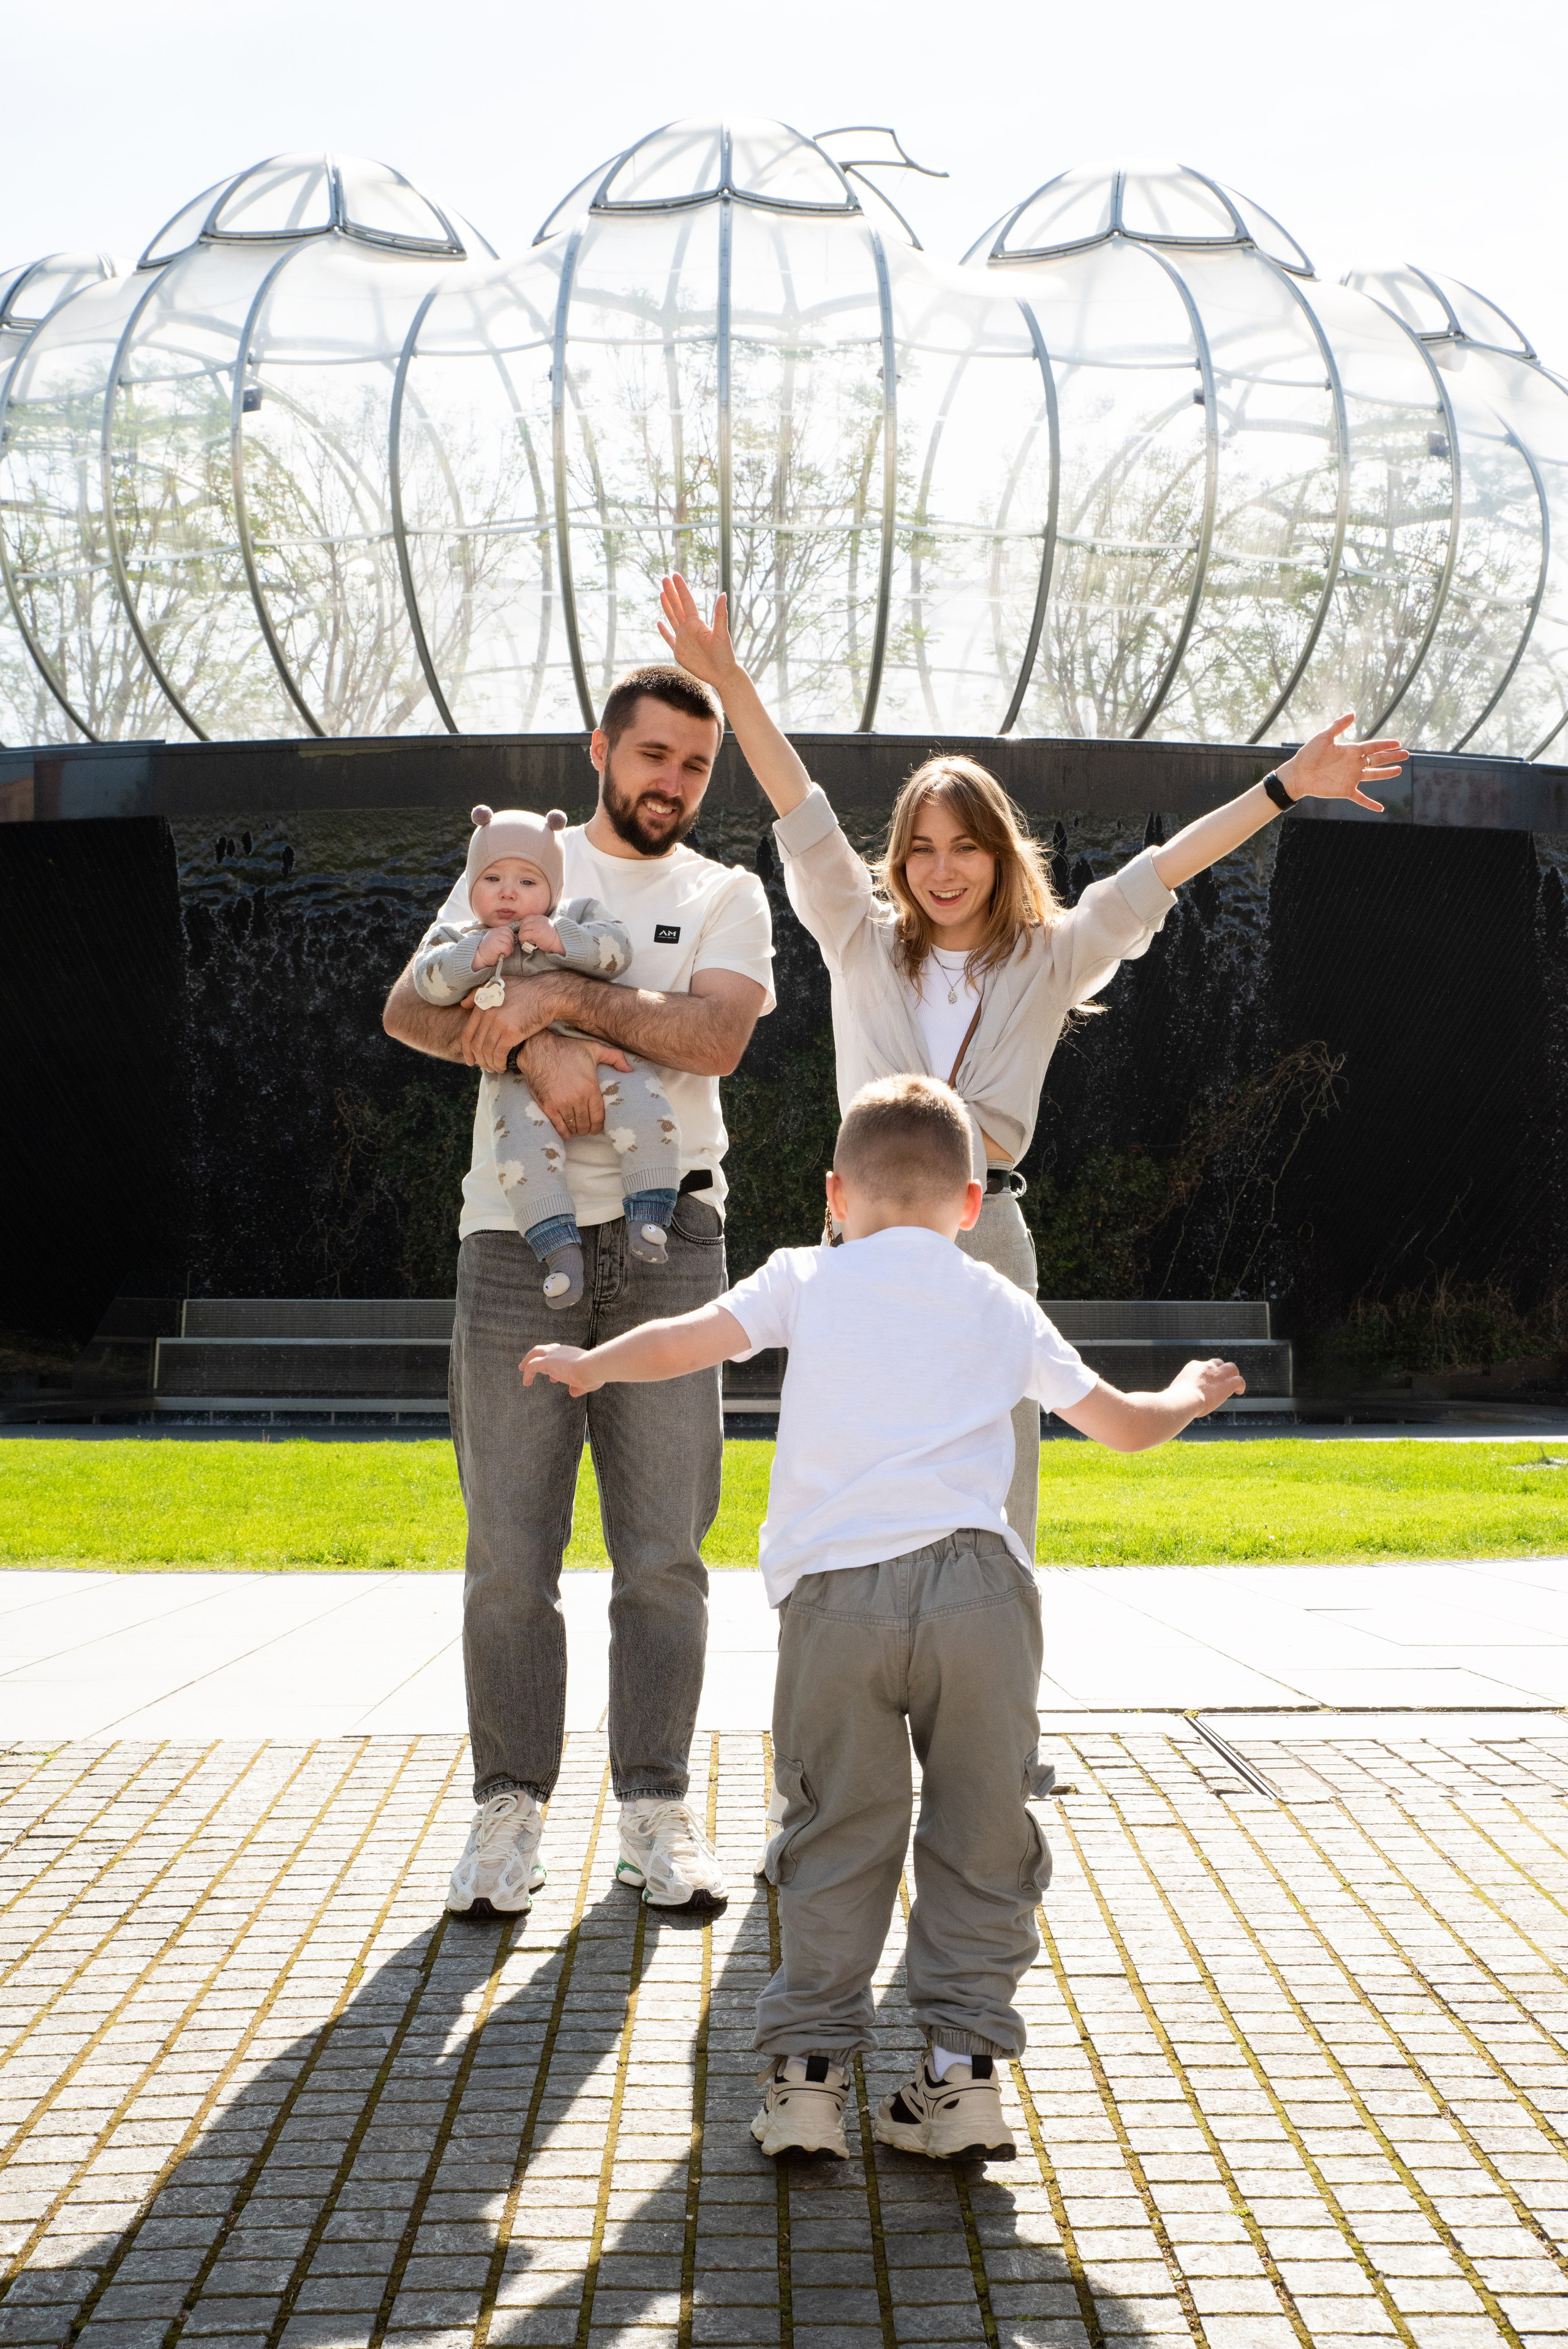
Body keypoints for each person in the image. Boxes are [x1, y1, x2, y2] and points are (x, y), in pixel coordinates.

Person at [522, 1073, 1245, 2162]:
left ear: (835, 1193)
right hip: (982, 1605)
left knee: (837, 1837)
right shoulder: (997, 1300)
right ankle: (960, 2085)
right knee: (981, 1839)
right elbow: (1127, 1427)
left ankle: (807, 2085)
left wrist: (590, 1364)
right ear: (969, 1205)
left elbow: (686, 1340)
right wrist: (1190, 1392)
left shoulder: (806, 1277)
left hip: (839, 1606)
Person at [655, 573, 1408, 1560]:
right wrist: (733, 681)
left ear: (1000, 853)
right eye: (921, 847)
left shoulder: (1053, 951)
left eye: (965, 845)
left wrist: (1283, 786)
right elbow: (801, 805)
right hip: (862, 1240)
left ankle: (990, 1673)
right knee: (849, 1464)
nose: (941, 866)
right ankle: (847, 1646)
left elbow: (1167, 865)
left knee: (996, 1490)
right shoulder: (859, 934)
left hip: (987, 1229)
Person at [382, 665, 775, 1920]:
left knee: (663, 1553)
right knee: (509, 1554)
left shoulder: (726, 891)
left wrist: (549, 995)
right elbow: (408, 1006)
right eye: (651, 754)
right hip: (513, 1244)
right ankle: (508, 1813)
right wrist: (546, 1039)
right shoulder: (519, 867)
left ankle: (653, 1809)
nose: (670, 781)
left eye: (693, 766)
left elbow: (712, 1040)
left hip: (675, 1246)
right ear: (601, 749)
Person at [413, 804, 685, 1309]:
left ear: (553, 890)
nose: (509, 891)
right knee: (519, 1159)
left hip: (599, 1048)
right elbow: (424, 983)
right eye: (492, 877)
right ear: (472, 886)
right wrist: (470, 958)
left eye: (528, 881)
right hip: (514, 1075)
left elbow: (617, 949)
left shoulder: (576, 914)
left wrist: (563, 940)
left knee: (647, 1107)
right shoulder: (457, 936)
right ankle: (559, 1253)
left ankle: (650, 1210)